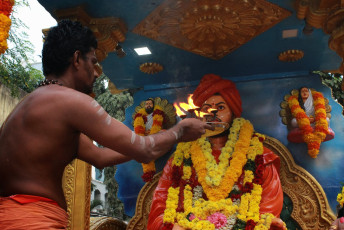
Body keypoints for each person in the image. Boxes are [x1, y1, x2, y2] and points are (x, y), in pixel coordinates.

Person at [0, 20, 211, 229]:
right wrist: (179, 131)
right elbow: (144, 150)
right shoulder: (70, 101)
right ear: (76, 59)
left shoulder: (33, 104)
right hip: (33, 220)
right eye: (93, 62)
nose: (96, 72)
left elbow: (100, 157)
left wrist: (160, 137)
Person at [147, 74, 286, 230]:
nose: (213, 113)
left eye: (220, 107)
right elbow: (159, 206)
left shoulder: (259, 157)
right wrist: (174, 227)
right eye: (206, 108)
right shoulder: (180, 159)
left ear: (233, 113)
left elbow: (268, 209)